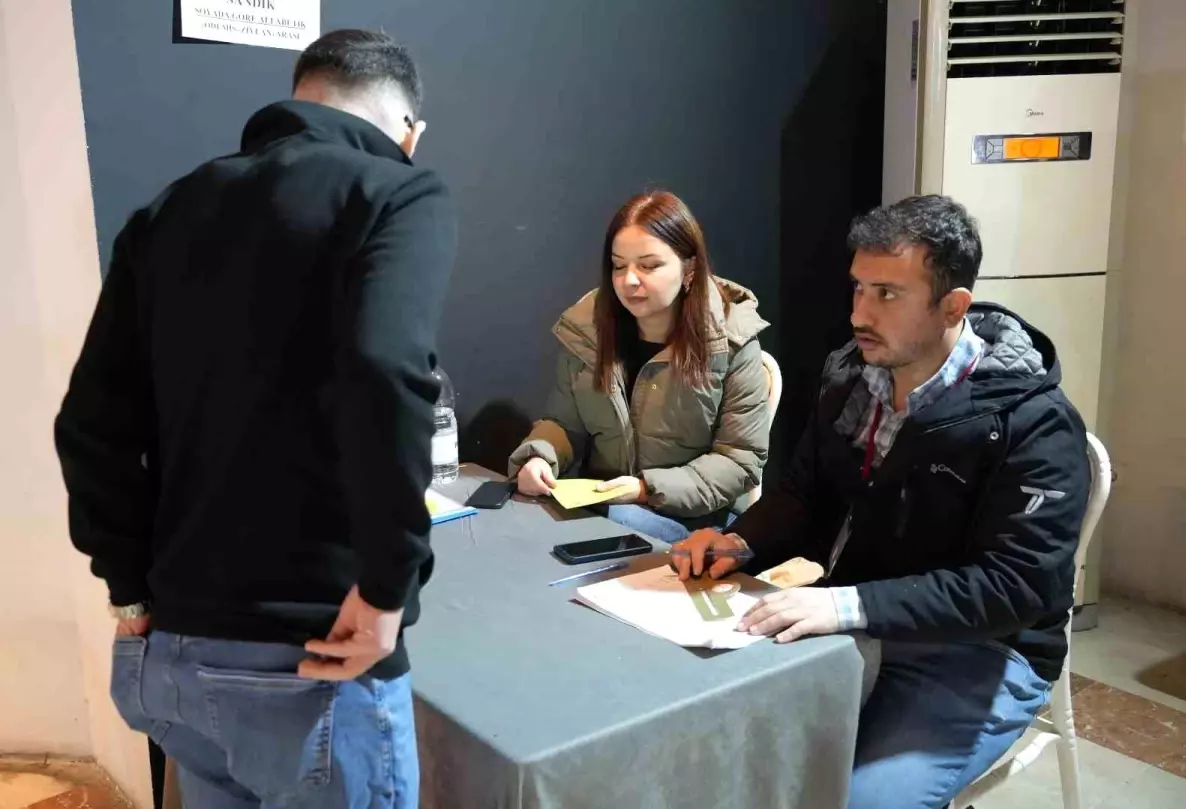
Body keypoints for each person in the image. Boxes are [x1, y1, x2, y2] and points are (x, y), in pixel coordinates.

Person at [55, 29, 456, 809]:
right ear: (409, 131)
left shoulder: (169, 208)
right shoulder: (397, 191)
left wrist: (127, 587)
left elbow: (90, 422)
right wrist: (387, 589)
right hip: (312, 659)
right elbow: (386, 370)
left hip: (170, 651)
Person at [673, 195, 1091, 809]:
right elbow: (806, 494)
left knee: (858, 802)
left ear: (953, 307)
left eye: (888, 294)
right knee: (707, 750)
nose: (859, 314)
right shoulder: (852, 376)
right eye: (858, 288)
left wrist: (848, 605)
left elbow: (1016, 588)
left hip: (980, 652)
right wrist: (741, 542)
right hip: (860, 619)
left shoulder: (1034, 423)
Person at [509, 190, 770, 543]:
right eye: (619, 266)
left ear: (690, 268)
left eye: (648, 266)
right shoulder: (587, 332)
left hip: (695, 524)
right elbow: (564, 424)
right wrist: (540, 457)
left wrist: (646, 489)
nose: (629, 280)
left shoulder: (732, 340)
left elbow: (739, 461)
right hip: (605, 509)